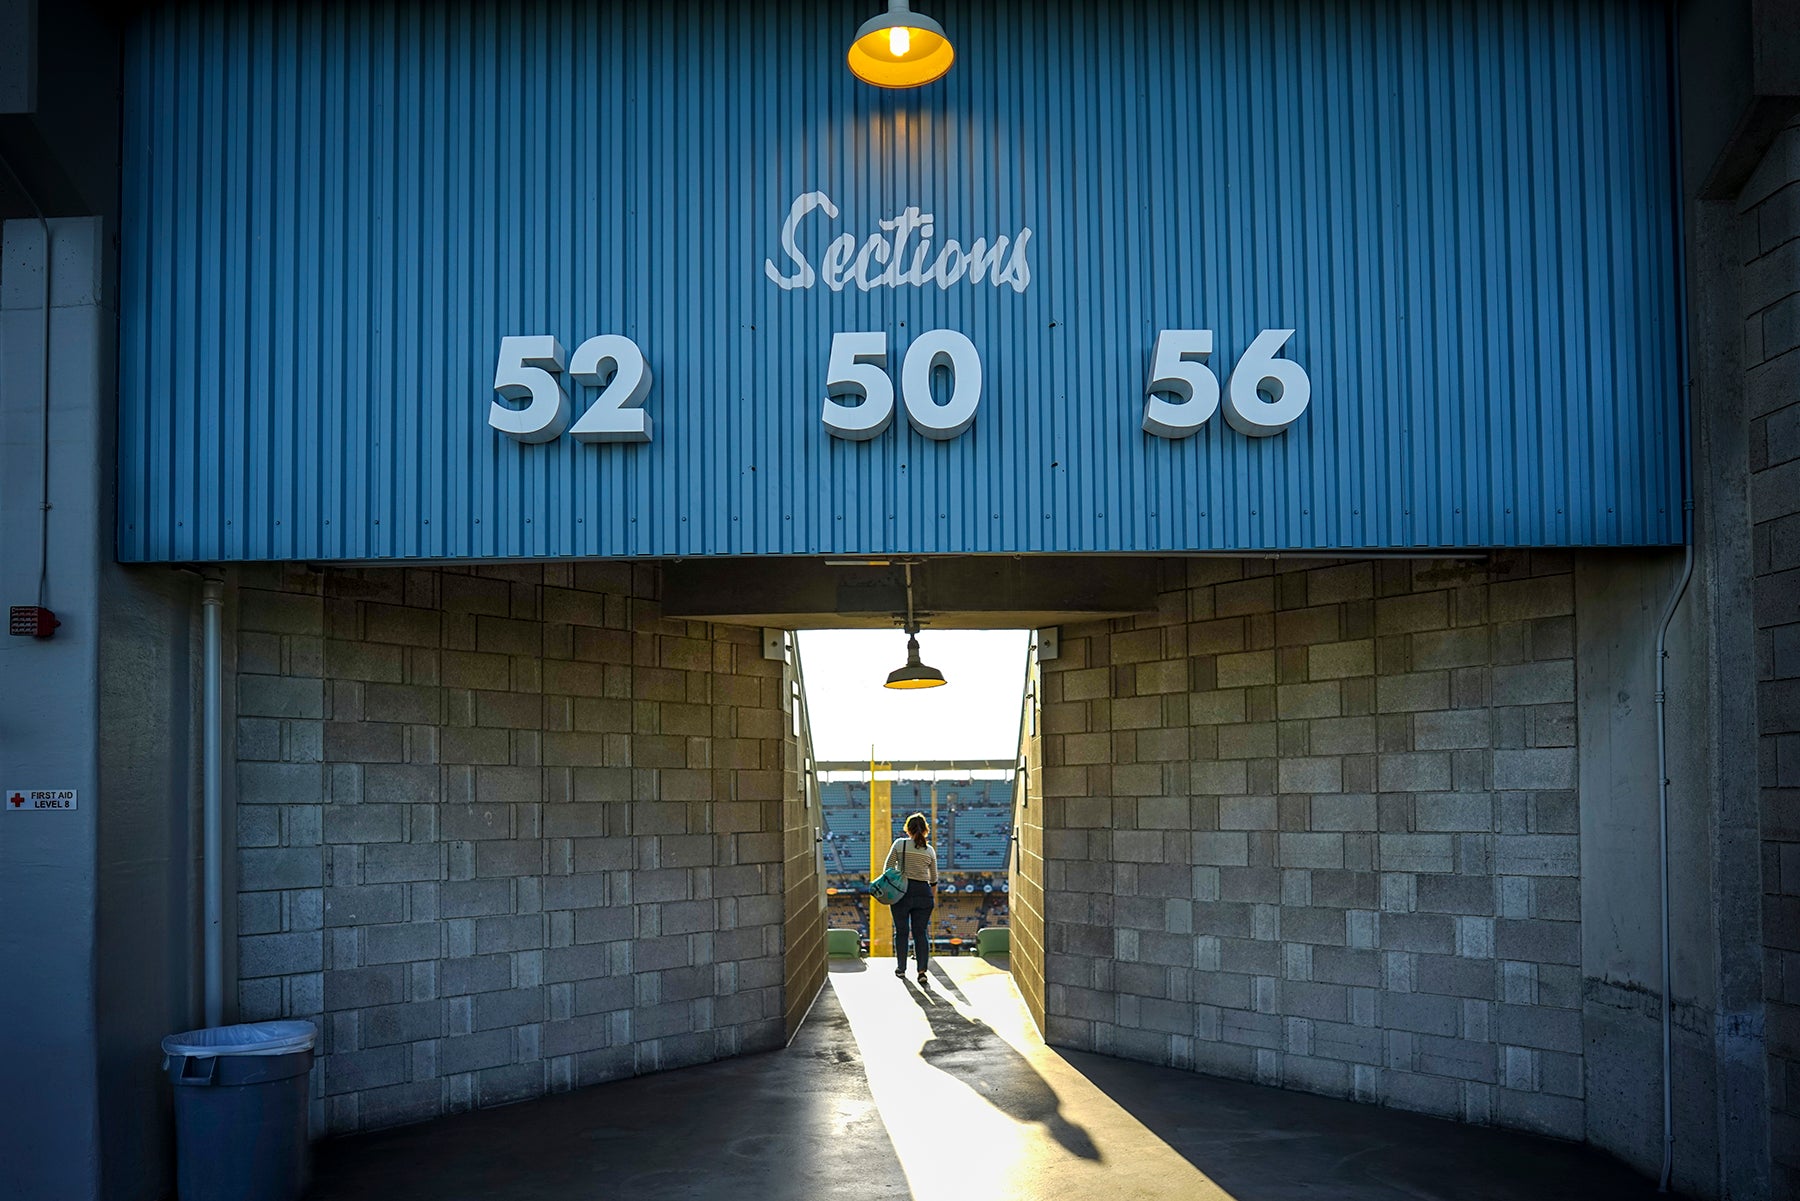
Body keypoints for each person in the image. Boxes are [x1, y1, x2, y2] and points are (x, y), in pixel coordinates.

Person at [884, 813, 938, 984]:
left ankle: (901, 968)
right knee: (920, 933)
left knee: (901, 932)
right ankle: (922, 971)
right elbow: (934, 878)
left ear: (907, 829)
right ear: (925, 830)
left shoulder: (900, 844)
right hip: (924, 893)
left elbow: (888, 868)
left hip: (902, 892)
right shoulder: (929, 850)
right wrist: (932, 898)